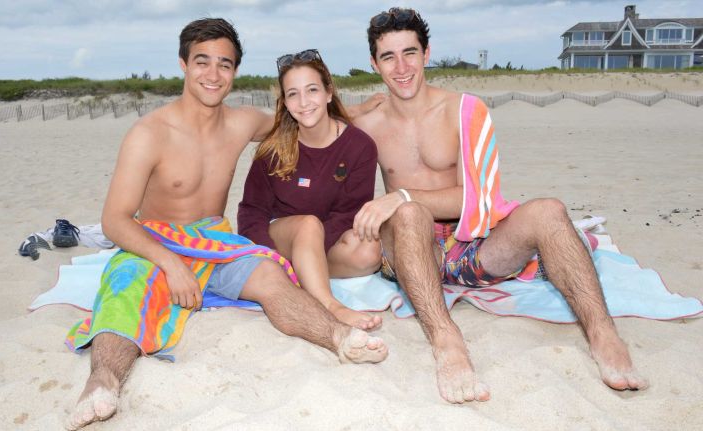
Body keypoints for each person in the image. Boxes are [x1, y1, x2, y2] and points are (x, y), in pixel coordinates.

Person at [65, 18, 388, 430]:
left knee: (272, 278)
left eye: (225, 64)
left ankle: (339, 338)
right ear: (183, 64)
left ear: (234, 71)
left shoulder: (241, 123)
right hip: (155, 239)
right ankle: (102, 383)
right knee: (124, 291)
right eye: (203, 62)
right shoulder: (149, 134)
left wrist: (358, 109)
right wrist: (170, 264)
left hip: (215, 238)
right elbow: (115, 219)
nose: (213, 75)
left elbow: (309, 115)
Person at [352, 7, 647, 404]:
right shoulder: (366, 125)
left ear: (427, 53)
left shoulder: (465, 109)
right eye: (388, 57)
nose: (401, 67)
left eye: (410, 53)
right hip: (410, 252)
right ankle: (446, 339)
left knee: (549, 211)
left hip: (468, 244)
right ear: (374, 63)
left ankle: (603, 335)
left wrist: (402, 193)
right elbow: (314, 130)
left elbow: (482, 198)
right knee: (407, 215)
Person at [237, 49, 383, 331]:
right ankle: (330, 305)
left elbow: (349, 214)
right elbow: (251, 211)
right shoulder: (273, 148)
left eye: (312, 90)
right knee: (307, 225)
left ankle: (304, 276)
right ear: (285, 102)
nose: (303, 102)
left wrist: (312, 249)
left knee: (368, 252)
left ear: (329, 93)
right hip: (279, 237)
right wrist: (270, 258)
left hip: (324, 240)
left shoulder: (360, 146)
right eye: (293, 94)